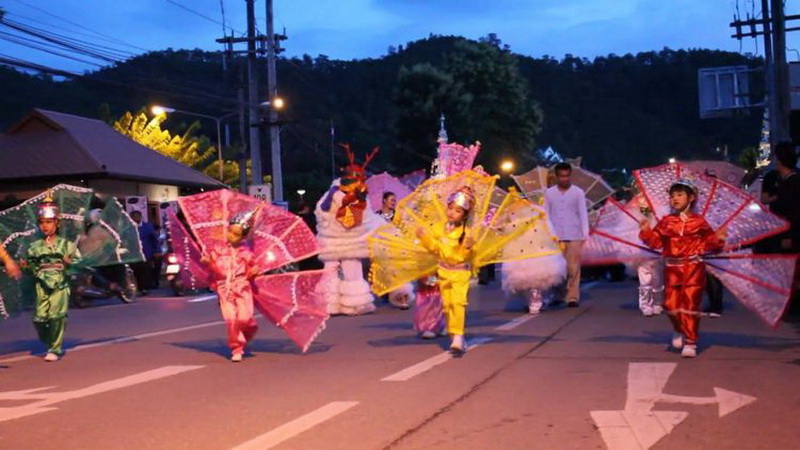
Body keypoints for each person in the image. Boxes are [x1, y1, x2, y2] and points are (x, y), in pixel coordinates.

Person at [639, 179, 726, 358]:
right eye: (672, 196)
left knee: (690, 305)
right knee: (670, 305)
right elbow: (655, 242)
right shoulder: (666, 222)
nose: (675, 199)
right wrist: (646, 230)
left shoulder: (699, 222)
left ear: (691, 197)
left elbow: (710, 243)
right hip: (672, 268)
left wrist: (719, 237)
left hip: (693, 268)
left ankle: (691, 342)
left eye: (679, 195)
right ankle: (679, 329)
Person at [416, 186, 477, 355]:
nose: (452, 213)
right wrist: (424, 237)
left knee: (458, 303)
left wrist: (468, 247)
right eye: (450, 208)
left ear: (465, 215)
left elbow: (464, 255)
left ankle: (458, 335)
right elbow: (436, 248)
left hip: (460, 273)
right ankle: (453, 334)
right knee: (448, 304)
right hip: (443, 272)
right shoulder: (441, 229)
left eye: (458, 211)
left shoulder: (467, 233)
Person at [24, 195, 80, 361]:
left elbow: (79, 263)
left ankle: (54, 349)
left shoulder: (67, 245)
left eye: (48, 222)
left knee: (56, 315)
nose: (44, 226)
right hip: (41, 283)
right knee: (39, 318)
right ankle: (49, 341)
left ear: (57, 223)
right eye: (42, 222)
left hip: (60, 282)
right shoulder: (34, 246)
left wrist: (69, 263)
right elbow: (31, 266)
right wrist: (26, 267)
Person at [200, 210, 260, 362]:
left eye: (236, 234)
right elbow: (215, 272)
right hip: (224, 288)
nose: (231, 236)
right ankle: (236, 347)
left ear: (243, 237)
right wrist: (209, 263)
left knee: (245, 319)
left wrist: (254, 271)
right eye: (230, 231)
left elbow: (253, 271)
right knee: (232, 319)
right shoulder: (217, 250)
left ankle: (247, 332)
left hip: (242, 287)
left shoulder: (246, 254)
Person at [544, 163, 590, 307]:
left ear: (570, 175)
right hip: (555, 235)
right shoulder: (549, 193)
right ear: (557, 177)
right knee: (557, 268)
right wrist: (547, 233)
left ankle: (572, 297)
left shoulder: (578, 192)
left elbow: (583, 213)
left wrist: (585, 234)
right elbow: (546, 214)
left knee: (573, 267)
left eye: (567, 176)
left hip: (574, 234)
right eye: (562, 176)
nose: (565, 179)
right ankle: (557, 295)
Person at [130, 210, 159, 294]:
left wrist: (156, 250)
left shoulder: (148, 227)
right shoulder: (129, 227)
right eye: (134, 217)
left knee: (145, 270)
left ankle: (144, 288)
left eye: (137, 216)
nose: (136, 218)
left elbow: (154, 239)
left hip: (146, 252)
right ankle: (138, 287)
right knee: (135, 270)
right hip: (134, 253)